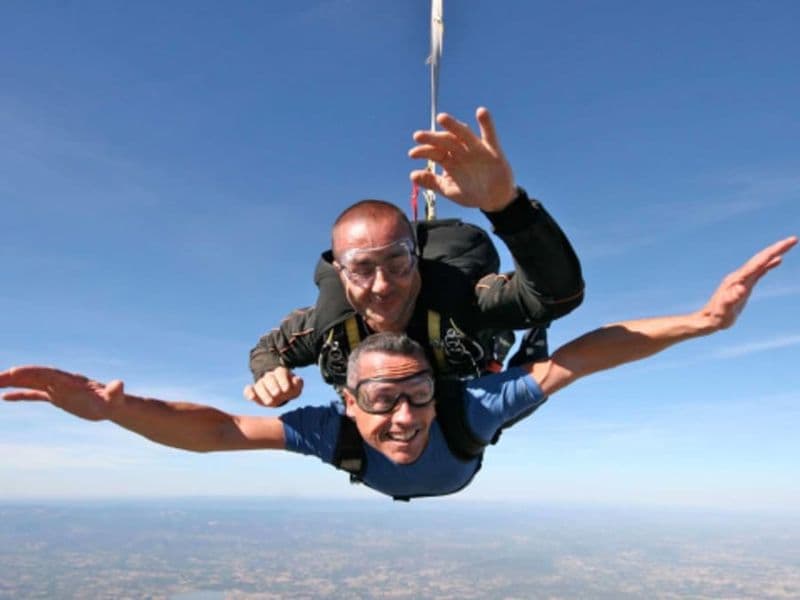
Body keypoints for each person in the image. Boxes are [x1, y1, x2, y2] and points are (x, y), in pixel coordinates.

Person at [3, 237, 794, 500]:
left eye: (416, 396)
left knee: (540, 338)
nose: (406, 417)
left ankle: (458, 275)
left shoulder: (468, 406)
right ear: (349, 401)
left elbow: (587, 355)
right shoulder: (333, 429)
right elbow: (214, 430)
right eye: (383, 400)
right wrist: (119, 409)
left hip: (473, 381)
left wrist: (702, 321)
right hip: (408, 400)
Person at [246, 106, 584, 407]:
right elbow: (267, 350)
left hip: (464, 398)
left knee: (507, 400)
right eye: (362, 268)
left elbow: (557, 295)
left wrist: (507, 207)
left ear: (416, 259)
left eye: (397, 263)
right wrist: (270, 374)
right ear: (340, 272)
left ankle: (524, 345)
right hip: (384, 418)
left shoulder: (465, 300)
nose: (382, 286)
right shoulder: (326, 326)